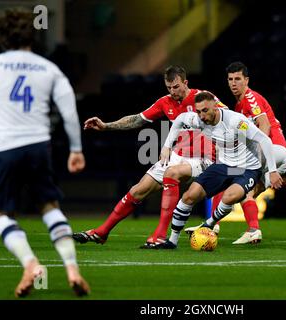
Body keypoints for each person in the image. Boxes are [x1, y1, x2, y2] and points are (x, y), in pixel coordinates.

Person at [0, 8, 90, 297]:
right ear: (32, 37)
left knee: (2, 213)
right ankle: (72, 268)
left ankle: (31, 264)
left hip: (5, 148)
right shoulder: (48, 68)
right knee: (49, 207)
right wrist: (76, 148)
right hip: (39, 148)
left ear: (2, 38)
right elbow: (70, 112)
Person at [72, 66, 224, 248]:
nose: (172, 91)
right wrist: (107, 126)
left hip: (205, 157)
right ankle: (102, 232)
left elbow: (225, 115)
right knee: (138, 190)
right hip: (177, 155)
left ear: (185, 83)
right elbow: (137, 119)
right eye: (168, 87)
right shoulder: (165, 102)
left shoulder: (203, 97)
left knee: (171, 173)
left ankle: (160, 235)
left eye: (176, 87)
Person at [155, 91, 283, 249]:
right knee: (190, 195)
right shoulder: (199, 120)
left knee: (230, 196)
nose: (201, 116)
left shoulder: (236, 121)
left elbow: (264, 139)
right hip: (224, 166)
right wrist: (167, 146)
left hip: (248, 168)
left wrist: (272, 170)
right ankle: (172, 241)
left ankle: (208, 225)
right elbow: (180, 120)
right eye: (198, 111)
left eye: (205, 111)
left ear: (215, 107)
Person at [185, 62, 286, 244]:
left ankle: (213, 225)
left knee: (230, 173)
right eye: (230, 79)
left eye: (238, 79)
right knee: (244, 190)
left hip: (274, 150)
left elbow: (264, 126)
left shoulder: (251, 98)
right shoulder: (239, 105)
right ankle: (252, 230)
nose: (234, 83)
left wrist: (254, 158)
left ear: (246, 80)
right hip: (274, 155)